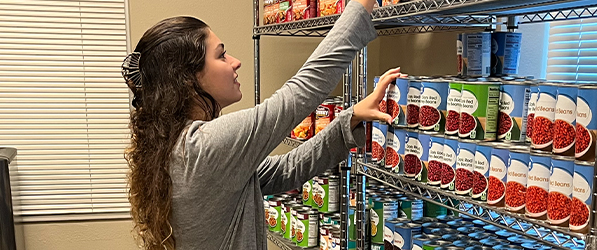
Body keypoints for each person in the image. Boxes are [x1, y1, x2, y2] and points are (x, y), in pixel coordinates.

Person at [122, 0, 400, 249]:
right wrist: (362, 5)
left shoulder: (179, 146)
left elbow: (285, 170)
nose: (236, 62)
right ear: (187, 79)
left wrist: (349, 119)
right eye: (221, 55)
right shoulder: (202, 147)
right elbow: (299, 93)